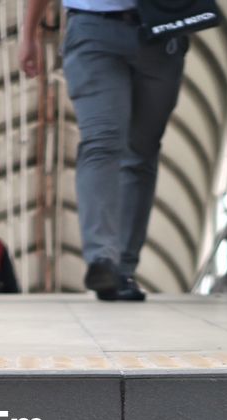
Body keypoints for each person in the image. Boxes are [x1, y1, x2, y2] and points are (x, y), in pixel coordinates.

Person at [20, 0, 188, 302]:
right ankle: (103, 259)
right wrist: (28, 33)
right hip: (92, 30)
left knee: (142, 150)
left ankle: (123, 267)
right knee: (101, 141)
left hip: (161, 30)